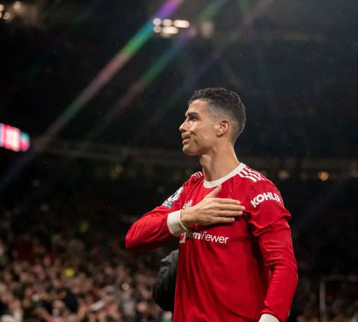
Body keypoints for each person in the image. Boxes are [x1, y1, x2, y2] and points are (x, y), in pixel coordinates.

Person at [125, 87, 298, 322]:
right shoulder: (190, 188)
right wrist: (188, 216)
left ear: (222, 127)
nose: (182, 126)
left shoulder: (258, 190)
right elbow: (134, 238)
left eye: (193, 118)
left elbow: (284, 266)